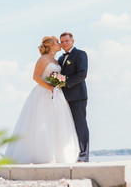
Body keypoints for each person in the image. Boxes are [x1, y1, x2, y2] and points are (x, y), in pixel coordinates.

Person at [5, 36, 79, 164]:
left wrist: (58, 84)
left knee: (57, 124)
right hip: (43, 94)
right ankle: (42, 156)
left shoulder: (56, 61)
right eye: (57, 42)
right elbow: (36, 77)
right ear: (50, 45)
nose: (60, 44)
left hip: (56, 95)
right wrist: (50, 87)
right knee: (42, 123)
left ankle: (58, 155)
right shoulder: (43, 59)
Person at [57, 32, 89, 162]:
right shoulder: (60, 59)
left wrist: (65, 82)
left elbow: (82, 74)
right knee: (67, 127)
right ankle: (70, 154)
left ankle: (83, 156)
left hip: (77, 97)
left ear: (73, 41)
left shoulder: (80, 54)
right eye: (62, 41)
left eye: (66, 41)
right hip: (63, 99)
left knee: (80, 126)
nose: (64, 43)